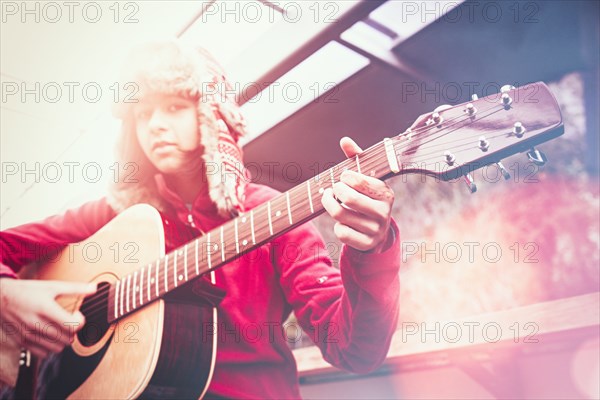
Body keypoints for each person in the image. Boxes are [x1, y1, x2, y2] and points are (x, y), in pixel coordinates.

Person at [0, 39, 401, 399]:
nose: (155, 125)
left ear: (211, 117)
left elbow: (354, 350)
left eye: (174, 107)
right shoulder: (112, 217)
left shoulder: (273, 212)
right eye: (142, 114)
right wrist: (7, 296)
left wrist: (373, 252)